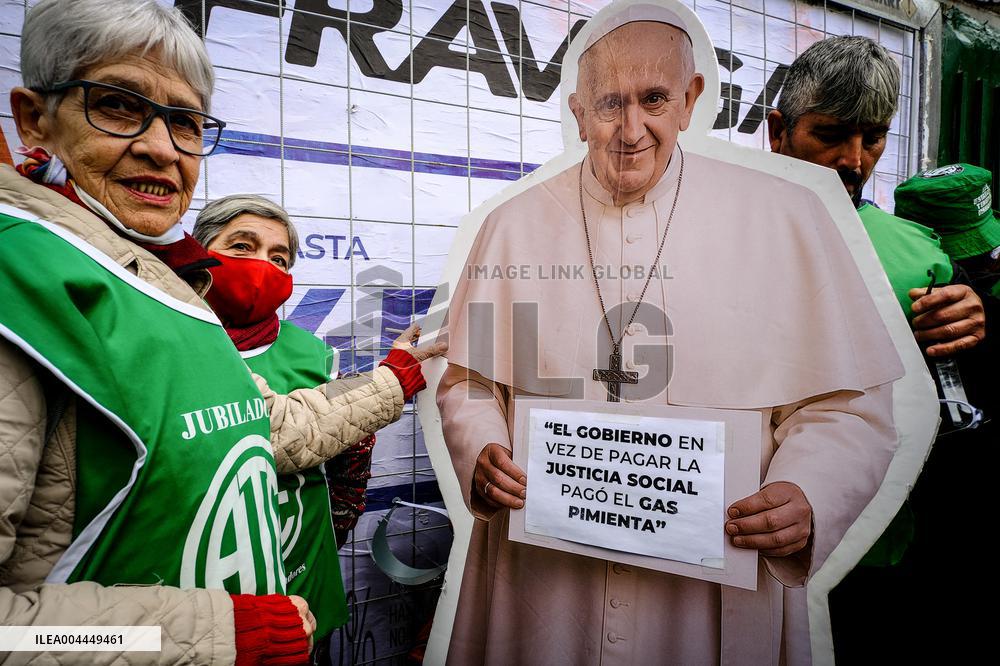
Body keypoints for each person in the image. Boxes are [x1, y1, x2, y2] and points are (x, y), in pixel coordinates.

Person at [436, 4, 918, 664]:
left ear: (690, 99)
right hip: (543, 586)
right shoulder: (513, 227)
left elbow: (849, 408)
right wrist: (483, 449)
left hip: (716, 584)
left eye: (654, 99)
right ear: (578, 112)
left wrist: (807, 491)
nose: (631, 129)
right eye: (610, 103)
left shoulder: (786, 218)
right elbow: (470, 383)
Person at [0, 1, 441, 662]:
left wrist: (393, 377)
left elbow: (271, 428)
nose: (159, 146)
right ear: (37, 120)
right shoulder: (21, 285)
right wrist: (209, 634)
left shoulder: (165, 290)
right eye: (117, 106)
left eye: (185, 121)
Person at [766, 38, 988, 660]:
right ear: (779, 130)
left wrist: (978, 322)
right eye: (832, 135)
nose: (855, 159)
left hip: (878, 543)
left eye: (874, 137)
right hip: (741, 540)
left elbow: (952, 397)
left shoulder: (918, 252)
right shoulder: (704, 236)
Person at [193, 194, 424, 662]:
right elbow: (264, 430)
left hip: (301, 579)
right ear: (199, 253)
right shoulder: (174, 337)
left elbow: (350, 464)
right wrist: (389, 380)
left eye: (279, 258)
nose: (262, 266)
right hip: (198, 592)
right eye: (241, 247)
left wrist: (330, 534)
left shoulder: (312, 352)